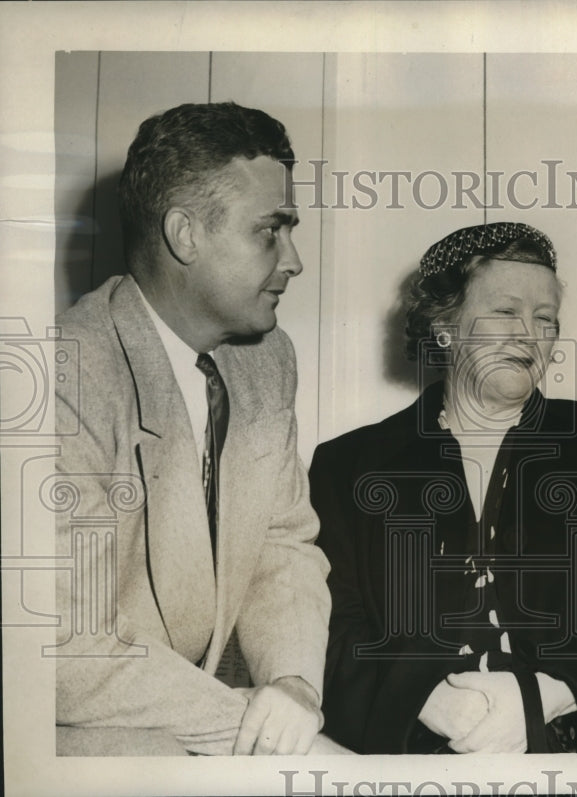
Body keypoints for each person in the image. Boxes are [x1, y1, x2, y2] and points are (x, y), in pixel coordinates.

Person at [309, 222, 577, 753]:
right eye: (506, 312)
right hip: (405, 760)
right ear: (445, 325)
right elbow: (326, 627)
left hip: (574, 756)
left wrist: (549, 695)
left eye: (546, 319)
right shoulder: (347, 466)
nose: (528, 335)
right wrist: (422, 698)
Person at [53, 102, 337, 756]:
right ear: (185, 233)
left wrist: (294, 685)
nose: (294, 260)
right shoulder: (62, 374)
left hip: (191, 718)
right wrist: (261, 734)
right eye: (272, 229)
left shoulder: (267, 360)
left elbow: (282, 542)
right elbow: (63, 643)